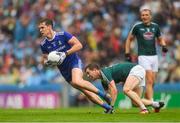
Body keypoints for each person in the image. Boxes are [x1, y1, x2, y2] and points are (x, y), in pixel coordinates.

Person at [38, 18, 112, 113]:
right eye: (39, 28)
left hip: (74, 61)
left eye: (42, 27)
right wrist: (47, 62)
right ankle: (107, 108)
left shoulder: (63, 35)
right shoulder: (43, 44)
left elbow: (79, 45)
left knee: (76, 81)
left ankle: (104, 95)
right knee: (86, 92)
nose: (40, 30)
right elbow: (44, 58)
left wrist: (65, 53)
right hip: (64, 70)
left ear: (49, 27)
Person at [125, 6, 168, 106]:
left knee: (152, 82)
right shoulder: (137, 27)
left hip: (154, 56)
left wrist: (164, 45)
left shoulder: (155, 27)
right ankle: (153, 103)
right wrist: (127, 52)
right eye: (143, 15)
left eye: (146, 15)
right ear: (141, 16)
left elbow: (160, 39)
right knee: (149, 79)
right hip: (143, 56)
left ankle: (148, 101)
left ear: (150, 16)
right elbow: (129, 39)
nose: (144, 17)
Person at [85, 62, 165, 114]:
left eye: (89, 73)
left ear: (95, 70)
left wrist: (111, 107)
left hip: (136, 70)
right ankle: (155, 104)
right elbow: (109, 96)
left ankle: (144, 109)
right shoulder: (103, 81)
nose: (88, 76)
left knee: (126, 90)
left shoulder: (104, 73)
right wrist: (108, 107)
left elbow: (114, 90)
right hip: (137, 71)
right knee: (135, 102)